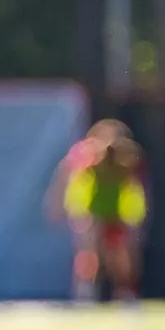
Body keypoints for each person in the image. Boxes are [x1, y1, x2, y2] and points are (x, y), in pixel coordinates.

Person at [47, 119, 148, 302]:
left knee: (120, 257)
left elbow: (134, 191)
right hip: (93, 214)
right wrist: (74, 210)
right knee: (89, 252)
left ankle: (126, 293)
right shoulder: (88, 161)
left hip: (116, 215)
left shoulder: (126, 164)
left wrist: (134, 215)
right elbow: (74, 183)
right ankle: (85, 292)